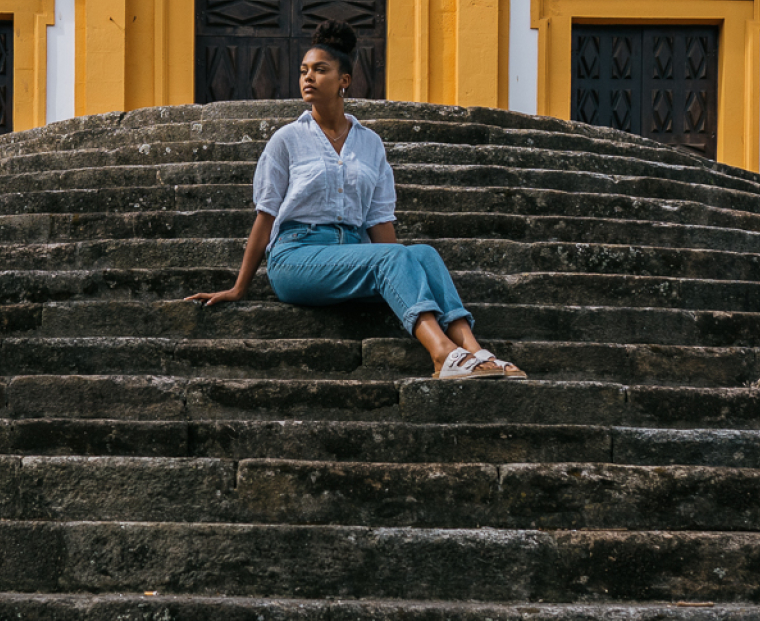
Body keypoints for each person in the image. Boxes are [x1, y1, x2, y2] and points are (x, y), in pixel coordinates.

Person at [184, 19, 527, 380]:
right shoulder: (286, 140)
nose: (308, 78)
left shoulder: (370, 143)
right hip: (297, 257)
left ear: (344, 80)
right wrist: (240, 287)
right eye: (304, 71)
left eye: (320, 70)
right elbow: (266, 215)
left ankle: (475, 352)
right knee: (396, 258)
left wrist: (405, 270)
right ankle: (442, 353)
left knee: (422, 254)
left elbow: (379, 222)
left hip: (353, 254)